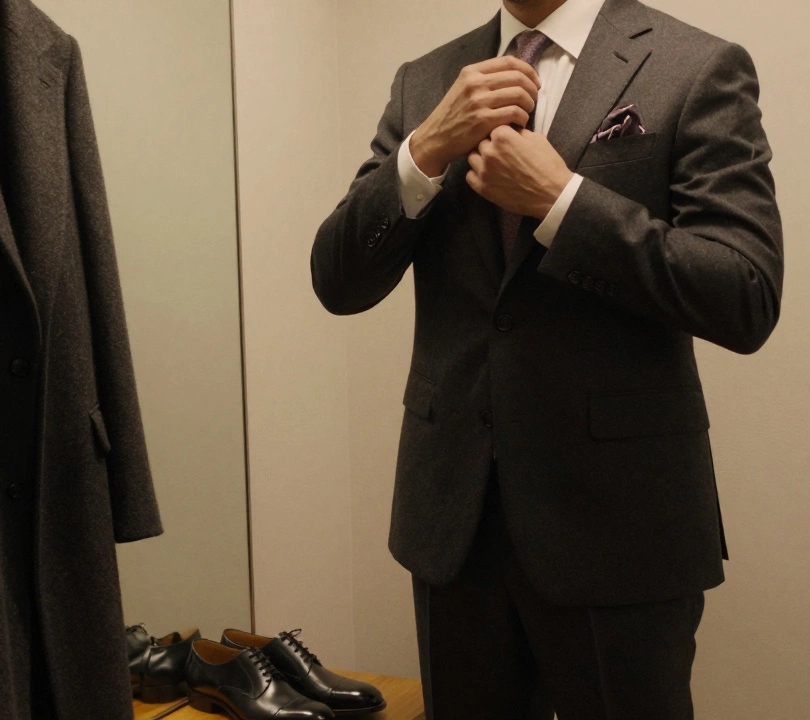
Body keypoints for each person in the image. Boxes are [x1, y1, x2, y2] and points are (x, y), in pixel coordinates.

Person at [311, 0, 783, 717]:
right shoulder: (425, 82)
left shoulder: (697, 66)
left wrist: (563, 201)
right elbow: (338, 280)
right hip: (454, 525)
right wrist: (426, 149)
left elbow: (744, 291)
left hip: (622, 526)